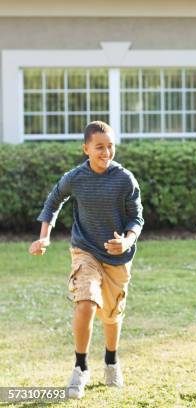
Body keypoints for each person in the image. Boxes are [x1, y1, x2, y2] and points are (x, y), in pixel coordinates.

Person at [28, 121, 144, 399]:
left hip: (118, 255)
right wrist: (44, 236)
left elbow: (136, 217)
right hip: (85, 250)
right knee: (85, 302)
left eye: (110, 146)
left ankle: (111, 361)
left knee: (112, 315)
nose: (106, 152)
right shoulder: (76, 177)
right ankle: (80, 368)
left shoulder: (125, 179)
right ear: (86, 149)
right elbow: (53, 201)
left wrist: (126, 241)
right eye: (99, 147)